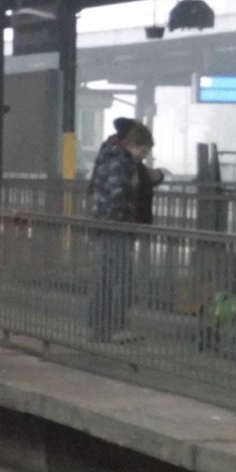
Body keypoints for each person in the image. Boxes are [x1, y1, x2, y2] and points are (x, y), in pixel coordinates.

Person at [86, 121, 154, 344]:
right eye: (143, 151)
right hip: (117, 227)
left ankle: (98, 329)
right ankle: (116, 327)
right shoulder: (121, 160)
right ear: (132, 144)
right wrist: (126, 220)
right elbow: (119, 194)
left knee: (104, 279)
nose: (143, 157)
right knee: (122, 279)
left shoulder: (107, 154)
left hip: (104, 225)